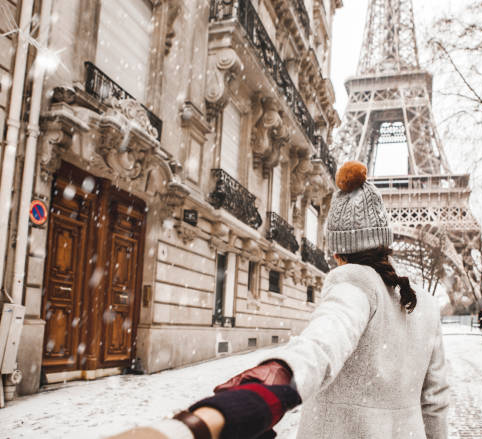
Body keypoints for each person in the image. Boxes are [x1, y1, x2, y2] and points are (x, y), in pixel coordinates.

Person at [108, 161, 449, 439]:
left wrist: (270, 382)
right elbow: (434, 403)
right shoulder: (426, 306)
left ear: (336, 251)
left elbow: (322, 344)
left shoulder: (355, 282)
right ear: (384, 241)